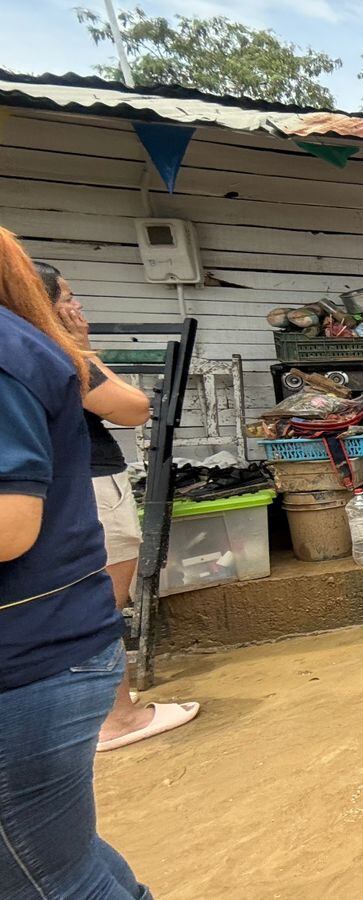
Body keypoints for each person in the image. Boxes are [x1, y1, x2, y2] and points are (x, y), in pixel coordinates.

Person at [0, 229, 152, 897]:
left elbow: (133, 406)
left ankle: (121, 713)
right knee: (58, 862)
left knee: (45, 874)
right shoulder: (37, 346)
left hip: (37, 643)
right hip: (52, 634)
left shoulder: (22, 351)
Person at [35, 261, 202, 752]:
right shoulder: (49, 350)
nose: (76, 306)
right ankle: (119, 718)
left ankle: (78, 711)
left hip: (44, 488)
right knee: (103, 600)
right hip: (85, 483)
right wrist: (82, 348)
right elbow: (132, 407)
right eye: (66, 297)